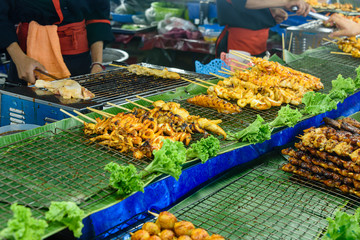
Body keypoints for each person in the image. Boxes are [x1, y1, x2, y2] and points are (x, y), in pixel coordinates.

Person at [0, 0, 114, 85]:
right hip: (26, 60)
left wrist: (97, 64)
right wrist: (20, 59)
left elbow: (98, 16)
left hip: (79, 61)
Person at [216, 0, 312, 57]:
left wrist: (270, 11)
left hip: (259, 40)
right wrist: (286, 1)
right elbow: (243, 2)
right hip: (238, 43)